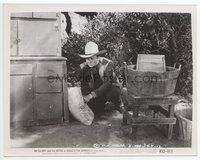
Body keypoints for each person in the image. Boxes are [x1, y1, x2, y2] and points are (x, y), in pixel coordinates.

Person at [78, 41, 123, 116]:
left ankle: (119, 104)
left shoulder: (108, 64)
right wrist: (84, 97)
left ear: (98, 57)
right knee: (96, 112)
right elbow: (84, 85)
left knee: (115, 90)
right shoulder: (84, 68)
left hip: (109, 90)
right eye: (87, 59)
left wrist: (91, 95)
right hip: (96, 93)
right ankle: (103, 106)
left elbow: (108, 83)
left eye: (91, 58)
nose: (89, 61)